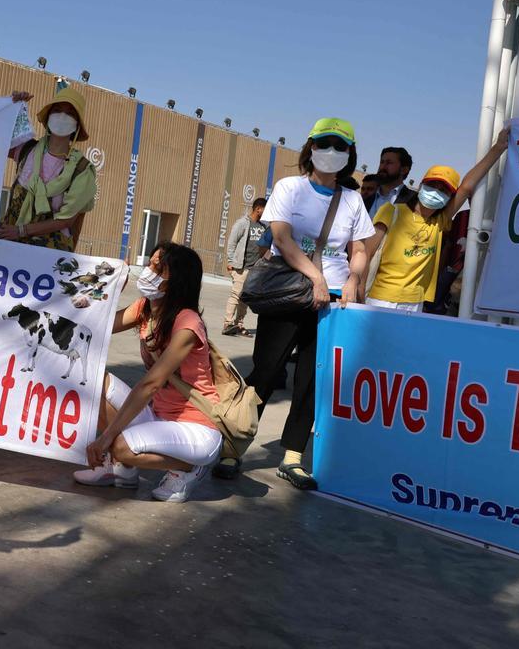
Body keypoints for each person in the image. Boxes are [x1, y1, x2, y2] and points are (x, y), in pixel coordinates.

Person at [228, 118, 374, 490]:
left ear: (350, 155)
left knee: (312, 378)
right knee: (266, 371)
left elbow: (358, 248)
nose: (332, 152)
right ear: (310, 147)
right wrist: (316, 276)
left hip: (333, 301)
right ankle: (234, 445)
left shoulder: (353, 199)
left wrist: (355, 278)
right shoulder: (290, 187)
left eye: (341, 147)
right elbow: (281, 237)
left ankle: (293, 455)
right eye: (325, 143)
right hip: (291, 291)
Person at [73, 243, 222, 503]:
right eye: (149, 263)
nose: (148, 270)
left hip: (196, 428)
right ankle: (122, 471)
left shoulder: (187, 322)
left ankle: (189, 467)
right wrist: (112, 288)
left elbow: (151, 384)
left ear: (175, 280)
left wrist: (107, 439)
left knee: (120, 446)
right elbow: (99, 326)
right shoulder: (146, 307)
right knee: (93, 380)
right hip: (159, 417)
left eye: (157, 267)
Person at [362, 127, 510, 313]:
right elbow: (366, 253)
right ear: (422, 184)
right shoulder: (391, 211)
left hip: (415, 304)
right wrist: (358, 290)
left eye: (444, 190)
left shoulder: (440, 222)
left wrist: (498, 148)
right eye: (432, 185)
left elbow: (465, 187)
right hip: (380, 300)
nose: (436, 192)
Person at [0, 87, 97, 251]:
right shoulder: (27, 149)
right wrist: (12, 106)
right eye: (57, 110)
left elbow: (67, 219)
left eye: (70, 113)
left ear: (77, 125)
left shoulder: (82, 170)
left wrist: (20, 231)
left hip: (48, 256)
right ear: (48, 118)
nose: (62, 116)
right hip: (8, 243)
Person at [222, 198, 267, 337]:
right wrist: (230, 261)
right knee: (236, 295)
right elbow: (232, 242)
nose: (266, 212)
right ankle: (227, 323)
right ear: (258, 208)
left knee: (245, 298)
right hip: (241, 267)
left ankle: (239, 324)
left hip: (254, 269)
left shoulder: (263, 227)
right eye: (264, 209)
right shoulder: (242, 223)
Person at [367, 146, 416, 215]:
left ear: (404, 170)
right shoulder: (367, 195)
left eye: (389, 163)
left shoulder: (413, 201)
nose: (382, 167)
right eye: (382, 162)